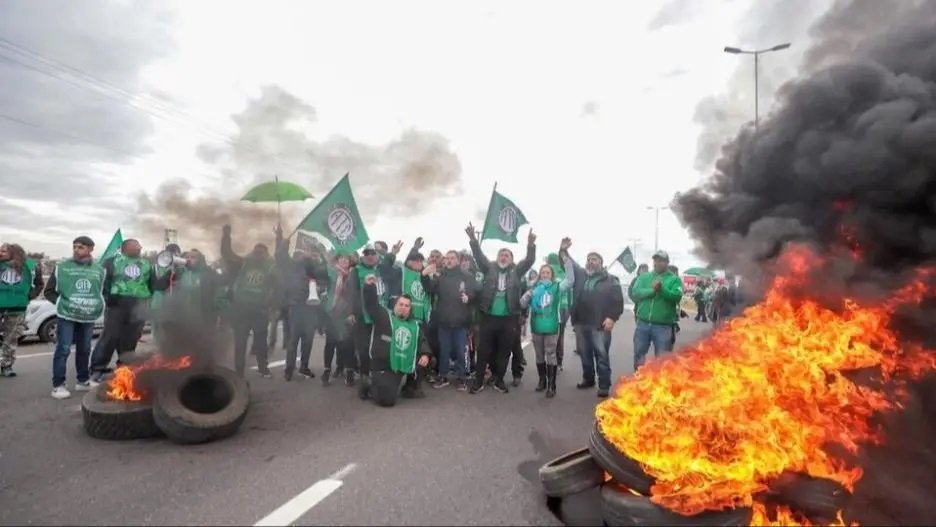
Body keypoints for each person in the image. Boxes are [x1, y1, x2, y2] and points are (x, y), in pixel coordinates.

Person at [466, 222, 536, 394]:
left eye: (507, 255)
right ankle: (479, 381)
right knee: (484, 350)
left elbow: (529, 261)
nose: (504, 257)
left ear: (511, 259)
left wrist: (530, 245)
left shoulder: (516, 271)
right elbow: (478, 256)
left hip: (509, 318)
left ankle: (499, 380)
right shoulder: (489, 268)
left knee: (504, 352)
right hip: (488, 317)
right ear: (497, 258)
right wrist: (473, 239)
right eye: (501, 255)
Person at [89, 239, 166, 382]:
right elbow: (103, 281)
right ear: (125, 248)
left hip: (139, 305)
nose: (139, 248)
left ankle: (124, 367)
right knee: (110, 336)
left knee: (131, 338)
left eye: (139, 246)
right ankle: (97, 368)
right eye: (135, 246)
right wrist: (108, 297)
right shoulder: (112, 262)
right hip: (117, 304)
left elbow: (153, 285)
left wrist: (166, 279)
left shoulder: (146, 264)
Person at [560, 242, 624, 398]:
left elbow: (618, 302)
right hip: (581, 323)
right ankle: (588, 379)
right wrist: (563, 250)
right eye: (588, 259)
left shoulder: (611, 280)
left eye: (594, 259)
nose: (590, 262)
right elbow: (568, 262)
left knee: (601, 355)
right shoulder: (580, 275)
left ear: (601, 262)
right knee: (584, 353)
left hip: (600, 325)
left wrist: (612, 318)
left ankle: (604, 385)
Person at [44, 236, 105, 398]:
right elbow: (49, 291)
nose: (76, 250)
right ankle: (58, 385)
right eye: (75, 247)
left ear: (91, 249)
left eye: (81, 247)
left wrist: (98, 305)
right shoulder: (62, 267)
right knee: (63, 349)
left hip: (88, 316)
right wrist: (62, 303)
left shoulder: (99, 270)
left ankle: (82, 381)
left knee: (85, 349)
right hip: (67, 315)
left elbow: (101, 291)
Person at [358, 275, 432, 407]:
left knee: (429, 360)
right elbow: (371, 305)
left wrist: (425, 354)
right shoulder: (384, 316)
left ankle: (410, 388)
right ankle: (368, 384)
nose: (404, 307)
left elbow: (422, 341)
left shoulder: (414, 326)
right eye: (401, 304)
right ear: (395, 305)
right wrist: (369, 287)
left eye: (407, 305)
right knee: (387, 401)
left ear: (410, 309)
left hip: (402, 363)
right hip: (384, 365)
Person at [221, 225, 281, 378]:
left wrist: (279, 236)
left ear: (265, 254)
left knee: (260, 342)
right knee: (241, 341)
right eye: (256, 251)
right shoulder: (244, 263)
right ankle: (239, 371)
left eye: (261, 252)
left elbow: (280, 259)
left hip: (259, 310)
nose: (258, 254)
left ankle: (262, 367)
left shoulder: (270, 267)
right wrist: (226, 236)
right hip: (243, 310)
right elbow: (227, 254)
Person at [520, 242, 575, 398]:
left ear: (552, 275)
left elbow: (570, 280)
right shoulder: (533, 289)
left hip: (551, 327)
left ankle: (552, 385)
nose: (545, 275)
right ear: (539, 275)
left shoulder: (557, 287)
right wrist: (526, 296)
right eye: (543, 273)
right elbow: (522, 304)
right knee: (539, 355)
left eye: (547, 273)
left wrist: (566, 261)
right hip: (536, 327)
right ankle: (542, 380)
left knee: (550, 354)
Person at [348, 242, 401, 398]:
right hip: (363, 317)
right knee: (364, 350)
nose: (370, 256)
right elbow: (351, 293)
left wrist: (393, 252)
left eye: (373, 254)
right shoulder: (356, 271)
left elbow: (390, 264)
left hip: (382, 317)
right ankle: (364, 382)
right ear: (363, 256)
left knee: (380, 349)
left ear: (377, 256)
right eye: (367, 254)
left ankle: (378, 379)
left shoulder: (381, 269)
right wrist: (351, 312)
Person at [275, 231, 328, 382]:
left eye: (312, 251)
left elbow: (325, 277)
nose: (309, 253)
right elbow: (280, 257)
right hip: (296, 308)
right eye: (307, 250)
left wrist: (320, 287)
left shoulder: (318, 268)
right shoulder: (294, 265)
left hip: (311, 310)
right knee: (293, 341)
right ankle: (289, 369)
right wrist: (284, 243)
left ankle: (304, 366)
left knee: (308, 341)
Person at [427, 249, 478, 390]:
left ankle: (461, 377)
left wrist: (469, 297)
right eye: (447, 258)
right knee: (444, 350)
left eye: (452, 258)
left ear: (458, 260)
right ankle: (443, 376)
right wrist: (425, 276)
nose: (449, 260)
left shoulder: (467, 276)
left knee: (461, 351)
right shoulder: (441, 275)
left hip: (461, 321)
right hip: (443, 320)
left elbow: (474, 294)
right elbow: (430, 289)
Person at [629, 250, 684, 372]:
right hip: (642, 324)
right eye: (655, 260)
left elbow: (676, 297)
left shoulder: (674, 280)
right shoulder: (644, 277)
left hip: (663, 327)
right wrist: (652, 291)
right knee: (639, 354)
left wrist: (662, 289)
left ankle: (659, 381)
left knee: (662, 359)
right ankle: (639, 378)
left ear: (667, 262)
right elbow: (635, 293)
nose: (657, 263)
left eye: (661, 261)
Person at [0, 243, 44, 377]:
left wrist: (30, 295)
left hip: (17, 308)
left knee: (11, 338)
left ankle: (6, 365)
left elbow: (39, 283)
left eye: (4, 251)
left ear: (14, 252)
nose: (0, 253)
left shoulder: (29, 266)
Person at [322, 251, 357, 386]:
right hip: (332, 312)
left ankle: (349, 371)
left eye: (346, 258)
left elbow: (354, 294)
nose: (343, 260)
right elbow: (325, 266)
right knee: (330, 342)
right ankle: (327, 370)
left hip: (347, 312)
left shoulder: (353, 274)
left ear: (350, 261)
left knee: (348, 343)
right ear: (337, 260)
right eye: (341, 258)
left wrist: (352, 312)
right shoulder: (332, 272)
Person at [545, 252, 573, 371]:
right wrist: (570, 308)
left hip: (552, 308)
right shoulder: (564, 272)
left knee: (549, 336)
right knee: (560, 336)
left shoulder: (548, 272)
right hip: (564, 307)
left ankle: (550, 361)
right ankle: (559, 362)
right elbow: (570, 292)